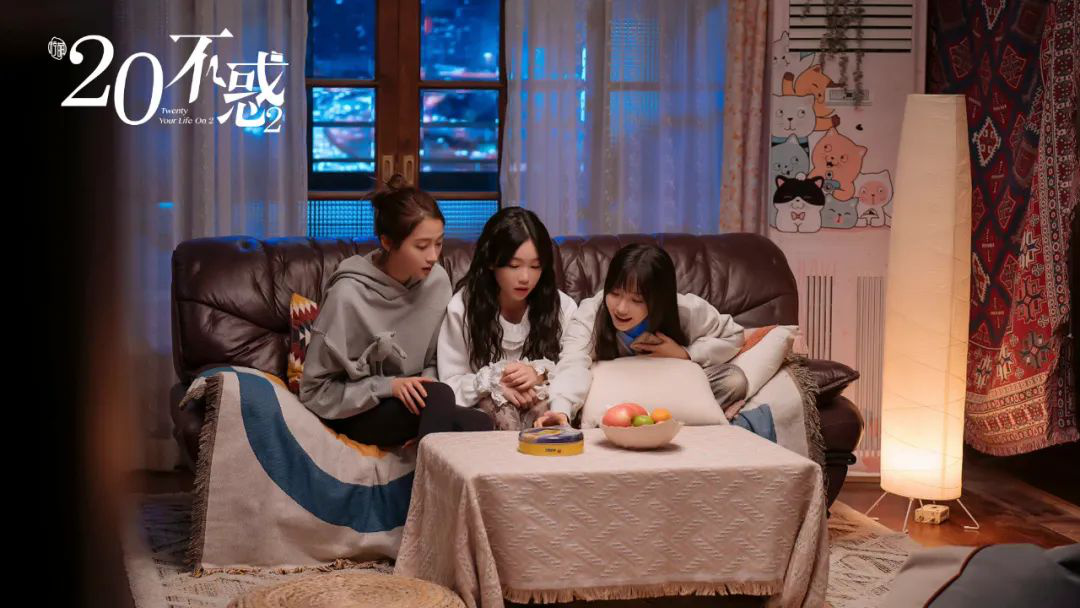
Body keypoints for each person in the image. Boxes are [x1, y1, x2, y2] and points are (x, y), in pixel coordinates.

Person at [299, 175, 493, 446]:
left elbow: (434, 361)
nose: (433, 256)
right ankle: (426, 468)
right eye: (421, 246)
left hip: (415, 404)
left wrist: (422, 388)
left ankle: (424, 446)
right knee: (440, 398)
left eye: (439, 243)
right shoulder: (347, 294)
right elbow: (314, 391)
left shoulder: (437, 281)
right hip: (356, 409)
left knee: (481, 422)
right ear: (387, 242)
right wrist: (388, 387)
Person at [537, 243, 747, 427]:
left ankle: (660, 422)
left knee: (733, 380)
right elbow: (573, 361)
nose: (621, 308)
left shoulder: (686, 310)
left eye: (636, 300)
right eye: (615, 294)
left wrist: (684, 353)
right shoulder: (591, 313)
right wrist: (561, 411)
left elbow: (734, 336)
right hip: (613, 398)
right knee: (563, 399)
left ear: (660, 299)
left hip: (668, 391)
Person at [438, 207, 577, 430]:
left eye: (535, 266)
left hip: (545, 406)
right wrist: (494, 384)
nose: (525, 278)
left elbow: (575, 368)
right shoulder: (462, 308)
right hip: (483, 418)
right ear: (491, 262)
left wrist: (539, 376)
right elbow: (449, 384)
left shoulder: (562, 306)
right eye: (514, 266)